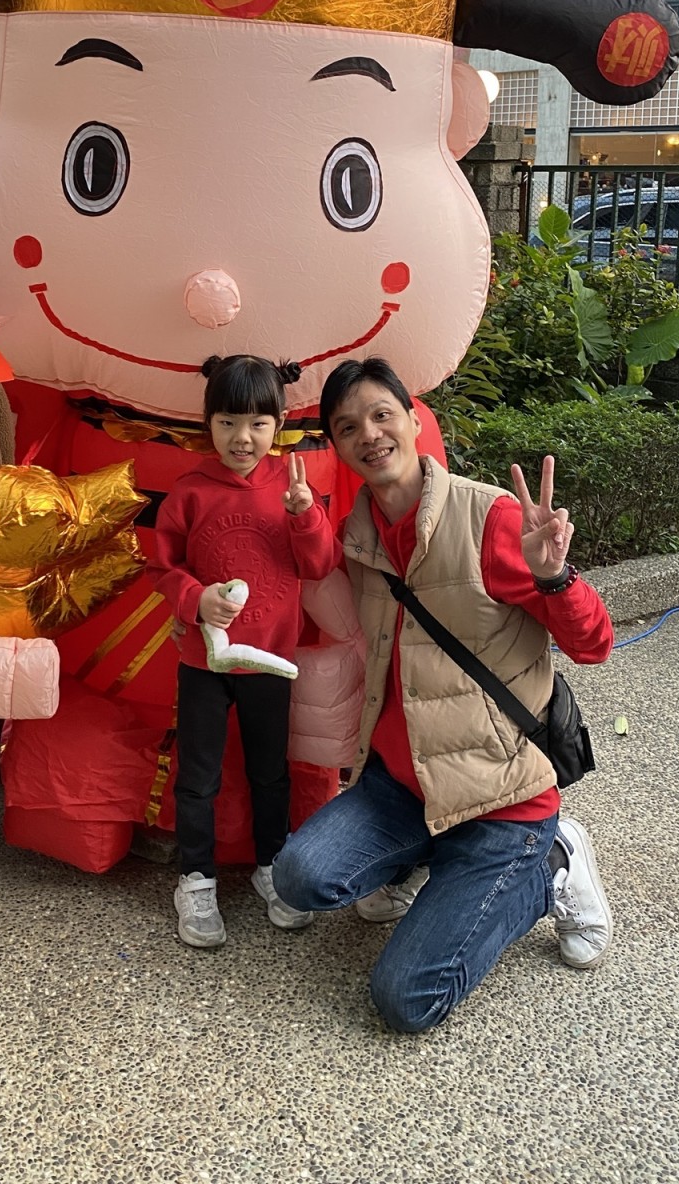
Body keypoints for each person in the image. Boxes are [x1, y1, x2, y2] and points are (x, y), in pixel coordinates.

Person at [272, 357, 614, 1031]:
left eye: (382, 415)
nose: (369, 435)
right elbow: (319, 571)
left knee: (406, 1001)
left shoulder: (489, 518)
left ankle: (551, 865)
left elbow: (594, 645)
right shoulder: (359, 537)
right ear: (336, 446)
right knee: (299, 878)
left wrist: (555, 578)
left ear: (412, 419)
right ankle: (424, 862)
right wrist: (300, 518)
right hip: (404, 789)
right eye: (348, 427)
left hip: (502, 799)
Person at [148, 355, 343, 948]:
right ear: (207, 422)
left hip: (272, 661)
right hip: (202, 661)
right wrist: (195, 599)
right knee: (198, 775)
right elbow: (161, 566)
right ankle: (196, 878)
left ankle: (272, 865)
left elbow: (320, 565)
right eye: (228, 422)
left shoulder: (293, 488)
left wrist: (306, 516)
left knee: (270, 772)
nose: (242, 437)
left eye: (258, 423)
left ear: (279, 424)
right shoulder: (189, 492)